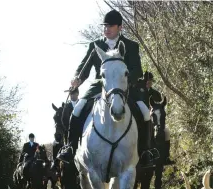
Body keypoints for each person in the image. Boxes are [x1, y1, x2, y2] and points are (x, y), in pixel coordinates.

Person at [56, 9, 157, 168]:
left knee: (145, 112)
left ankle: (145, 151)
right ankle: (70, 147)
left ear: (120, 27)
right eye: (104, 26)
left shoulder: (131, 46)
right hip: (100, 85)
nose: (106, 29)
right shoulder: (95, 45)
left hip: (125, 86)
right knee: (78, 109)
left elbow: (137, 70)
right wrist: (77, 79)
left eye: (110, 26)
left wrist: (123, 80)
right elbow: (84, 68)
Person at [139, 71, 175, 165]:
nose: (148, 82)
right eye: (147, 80)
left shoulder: (156, 93)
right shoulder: (139, 92)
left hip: (155, 120)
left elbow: (160, 107)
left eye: (150, 80)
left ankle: (166, 157)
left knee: (166, 132)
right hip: (141, 119)